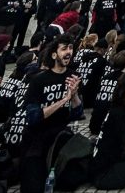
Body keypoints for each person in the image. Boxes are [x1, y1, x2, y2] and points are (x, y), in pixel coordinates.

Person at [19, 34, 82, 193]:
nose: (68, 52)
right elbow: (33, 117)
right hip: (38, 138)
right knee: (33, 186)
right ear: (54, 54)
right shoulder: (39, 80)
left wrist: (74, 96)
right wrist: (63, 100)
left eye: (70, 48)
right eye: (64, 49)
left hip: (60, 137)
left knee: (72, 180)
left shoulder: (72, 76)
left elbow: (77, 113)